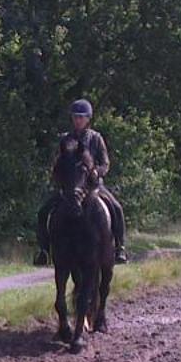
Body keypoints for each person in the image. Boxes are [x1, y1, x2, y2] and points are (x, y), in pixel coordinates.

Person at [34, 98, 128, 266]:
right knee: (43, 211)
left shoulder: (96, 138)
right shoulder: (65, 139)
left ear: (88, 119)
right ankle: (43, 250)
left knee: (117, 208)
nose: (77, 120)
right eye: (75, 117)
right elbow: (57, 162)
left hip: (92, 186)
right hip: (70, 187)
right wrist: (59, 176)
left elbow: (105, 163)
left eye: (81, 117)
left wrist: (95, 172)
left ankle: (120, 247)